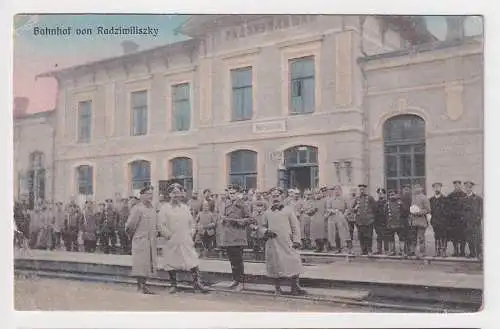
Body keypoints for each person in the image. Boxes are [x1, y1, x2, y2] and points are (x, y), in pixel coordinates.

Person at [158, 183, 208, 293]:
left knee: (192, 260)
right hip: (172, 240)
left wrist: (191, 233)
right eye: (174, 193)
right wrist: (168, 235)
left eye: (178, 193)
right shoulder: (165, 208)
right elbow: (161, 225)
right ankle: (173, 285)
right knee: (171, 262)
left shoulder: (185, 207)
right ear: (169, 195)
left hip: (185, 239)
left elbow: (192, 222)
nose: (176, 196)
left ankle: (197, 283)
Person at [255, 187, 306, 296]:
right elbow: (262, 226)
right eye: (273, 196)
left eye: (277, 196)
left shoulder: (288, 210)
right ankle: (277, 288)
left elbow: (295, 227)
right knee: (275, 265)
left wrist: (296, 240)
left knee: (294, 262)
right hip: (273, 243)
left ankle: (295, 287)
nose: (275, 198)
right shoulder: (267, 213)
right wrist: (266, 232)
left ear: (281, 197)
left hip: (287, 242)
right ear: (270, 198)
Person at [125, 185, 158, 295]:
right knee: (140, 264)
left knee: (147, 264)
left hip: (150, 241)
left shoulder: (152, 208)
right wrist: (134, 237)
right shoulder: (137, 208)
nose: (150, 196)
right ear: (142, 195)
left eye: (151, 194)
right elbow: (130, 226)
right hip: (140, 240)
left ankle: (143, 285)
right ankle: (141, 286)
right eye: (148, 194)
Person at [218, 184, 252, 291]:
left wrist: (234, 221)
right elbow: (223, 219)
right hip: (228, 237)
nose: (231, 195)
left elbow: (249, 219)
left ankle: (241, 282)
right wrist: (223, 220)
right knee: (232, 261)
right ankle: (235, 280)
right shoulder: (226, 204)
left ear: (238, 194)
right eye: (230, 193)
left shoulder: (243, 205)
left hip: (238, 237)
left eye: (233, 193)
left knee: (238, 261)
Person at [326, 186, 351, 254]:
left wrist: (344, 215)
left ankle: (345, 248)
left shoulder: (344, 199)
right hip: (333, 217)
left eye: (338, 190)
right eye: (335, 190)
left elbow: (348, 208)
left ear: (341, 191)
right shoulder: (331, 199)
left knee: (343, 233)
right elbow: (328, 208)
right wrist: (332, 210)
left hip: (341, 216)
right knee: (335, 233)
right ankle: (337, 248)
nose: (336, 191)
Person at [408, 184, 431, 257]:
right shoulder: (412, 198)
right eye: (415, 188)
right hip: (413, 221)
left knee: (421, 237)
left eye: (418, 188)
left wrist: (419, 212)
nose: (416, 189)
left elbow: (428, 210)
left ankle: (422, 252)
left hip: (421, 221)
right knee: (413, 237)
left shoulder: (424, 198)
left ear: (421, 189)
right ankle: (412, 251)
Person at [354, 184, 376, 255]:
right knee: (361, 236)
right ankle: (363, 250)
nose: (362, 191)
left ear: (366, 190)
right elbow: (352, 208)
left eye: (363, 189)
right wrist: (355, 209)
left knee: (369, 236)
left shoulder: (370, 198)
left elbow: (375, 208)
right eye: (360, 189)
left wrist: (372, 217)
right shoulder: (357, 199)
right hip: (360, 221)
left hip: (368, 221)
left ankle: (369, 250)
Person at [462, 181, 483, 259]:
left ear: (472, 188)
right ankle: (472, 253)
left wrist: (478, 218)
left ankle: (479, 254)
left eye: (470, 187)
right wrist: (463, 219)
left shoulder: (478, 198)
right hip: (467, 223)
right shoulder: (463, 199)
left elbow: (482, 210)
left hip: (475, 223)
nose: (468, 189)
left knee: (477, 239)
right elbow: (462, 211)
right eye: (466, 187)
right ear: (465, 188)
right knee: (469, 238)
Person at [447, 180, 467, 257]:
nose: (457, 186)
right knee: (454, 237)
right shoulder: (450, 196)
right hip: (453, 220)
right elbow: (447, 208)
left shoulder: (464, 195)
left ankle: (462, 251)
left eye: (458, 185)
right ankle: (456, 251)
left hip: (462, 220)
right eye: (455, 185)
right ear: (454, 186)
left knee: (463, 236)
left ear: (460, 186)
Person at [429, 182, 449, 257]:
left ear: (440, 188)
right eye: (435, 187)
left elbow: (447, 211)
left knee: (443, 236)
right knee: (436, 236)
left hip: (443, 221)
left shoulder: (445, 199)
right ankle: (437, 251)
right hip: (435, 221)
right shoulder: (431, 200)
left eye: (438, 187)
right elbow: (430, 211)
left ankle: (443, 251)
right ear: (433, 189)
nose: (437, 189)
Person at [385, 190, 405, 255]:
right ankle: (392, 251)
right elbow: (385, 214)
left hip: (399, 223)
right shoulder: (387, 204)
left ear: (396, 195)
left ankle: (402, 251)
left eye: (393, 194)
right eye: (390, 195)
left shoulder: (400, 203)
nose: (392, 196)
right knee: (390, 238)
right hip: (390, 223)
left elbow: (403, 212)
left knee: (401, 237)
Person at [311, 188, 327, 252]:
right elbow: (311, 211)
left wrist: (325, 216)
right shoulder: (313, 202)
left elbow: (327, 209)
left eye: (318, 193)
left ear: (321, 194)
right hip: (315, 219)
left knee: (323, 234)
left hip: (322, 219)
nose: (317, 195)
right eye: (316, 193)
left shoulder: (324, 201)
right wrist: (312, 210)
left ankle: (324, 247)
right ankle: (318, 247)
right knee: (316, 234)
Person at [374, 188, 389, 255]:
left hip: (385, 222)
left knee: (386, 237)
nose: (380, 195)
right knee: (379, 237)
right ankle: (379, 250)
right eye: (379, 194)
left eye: (381, 193)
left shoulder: (387, 203)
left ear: (384, 194)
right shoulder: (376, 203)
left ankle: (386, 250)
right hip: (378, 222)